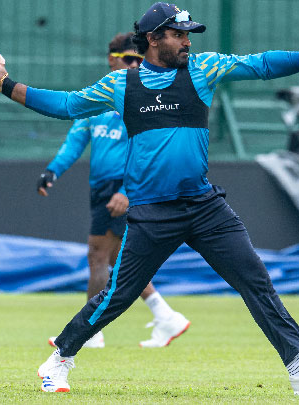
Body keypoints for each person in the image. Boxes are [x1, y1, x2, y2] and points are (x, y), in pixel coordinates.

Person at [0, 2, 299, 396]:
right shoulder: (121, 84)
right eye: (178, 35)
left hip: (204, 205)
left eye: (188, 34)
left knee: (254, 278)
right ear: (154, 38)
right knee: (118, 296)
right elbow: (67, 106)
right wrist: (5, 84)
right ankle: (59, 359)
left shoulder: (203, 68)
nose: (187, 42)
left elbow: (259, 64)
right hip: (153, 211)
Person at [37, 32, 190, 350]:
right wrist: (53, 170)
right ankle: (165, 316)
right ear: (112, 60)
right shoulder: (98, 98)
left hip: (125, 188)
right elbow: (76, 140)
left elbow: (148, 150)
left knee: (98, 256)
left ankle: (89, 332)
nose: (135, 65)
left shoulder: (139, 99)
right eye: (128, 59)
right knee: (120, 259)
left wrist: (126, 190)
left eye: (138, 60)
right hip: (101, 189)